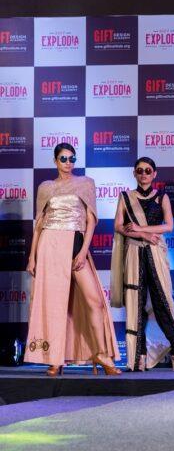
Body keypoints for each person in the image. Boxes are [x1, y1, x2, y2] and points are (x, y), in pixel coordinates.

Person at [25, 143, 121, 376]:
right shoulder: (45, 187)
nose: (68, 163)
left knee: (95, 301)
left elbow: (91, 220)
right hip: (50, 245)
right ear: (55, 161)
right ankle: (54, 358)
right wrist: (32, 256)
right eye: (63, 158)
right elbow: (39, 224)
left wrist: (83, 250)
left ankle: (100, 353)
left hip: (76, 243)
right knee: (54, 305)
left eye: (71, 158)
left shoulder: (86, 183)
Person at [110, 157, 174, 372]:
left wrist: (139, 229)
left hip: (155, 254)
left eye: (148, 171)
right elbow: (118, 226)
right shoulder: (125, 197)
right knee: (136, 306)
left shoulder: (162, 197)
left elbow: (169, 226)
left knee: (162, 303)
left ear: (154, 174)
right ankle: (138, 357)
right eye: (140, 170)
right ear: (134, 174)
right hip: (134, 254)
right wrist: (144, 235)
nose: (144, 174)